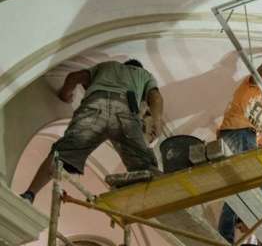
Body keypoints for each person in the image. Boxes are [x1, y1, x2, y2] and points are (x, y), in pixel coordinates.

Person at [20, 59, 163, 203]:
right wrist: (157, 121)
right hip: (124, 111)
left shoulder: (107, 65)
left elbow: (73, 77)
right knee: (144, 164)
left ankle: (29, 194)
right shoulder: (144, 75)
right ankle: (160, 196)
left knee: (62, 154)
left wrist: (65, 95)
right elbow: (155, 97)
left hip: (94, 107)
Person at [217, 46, 262, 243]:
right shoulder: (252, 88)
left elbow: (259, 144)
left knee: (241, 191)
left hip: (247, 138)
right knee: (258, 187)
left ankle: (227, 236)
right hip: (237, 132)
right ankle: (247, 220)